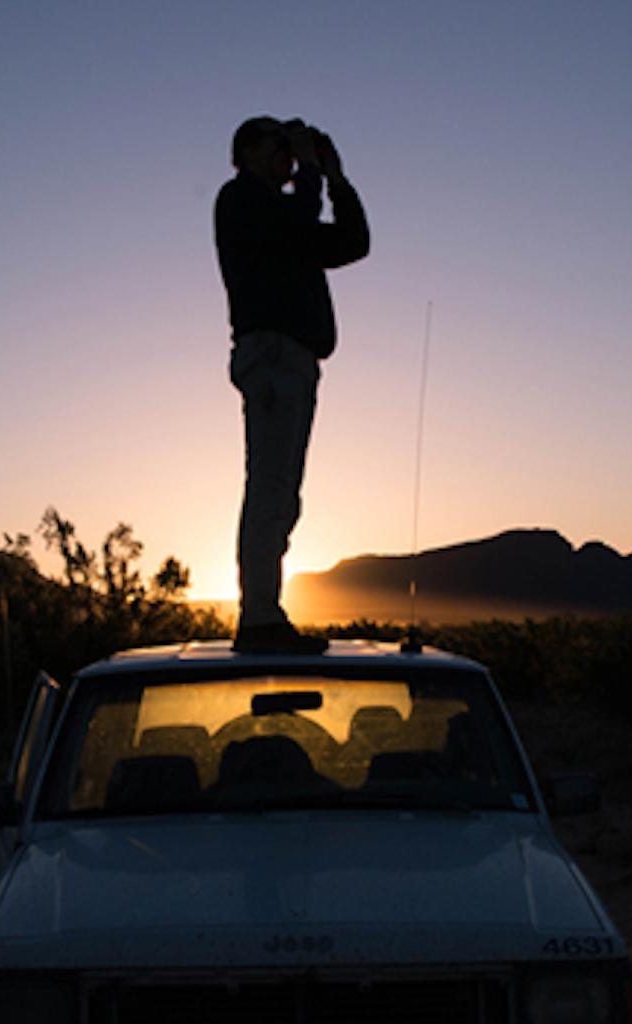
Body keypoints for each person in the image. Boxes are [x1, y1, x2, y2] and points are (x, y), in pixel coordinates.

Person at [214, 116, 370, 654]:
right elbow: (296, 219)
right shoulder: (239, 201)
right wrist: (307, 173)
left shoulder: (286, 220)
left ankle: (264, 614)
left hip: (295, 359)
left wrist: (335, 178)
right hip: (274, 354)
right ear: (248, 151)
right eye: (278, 147)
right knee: (271, 489)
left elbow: (353, 242)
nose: (287, 156)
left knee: (283, 495)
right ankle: (259, 619)